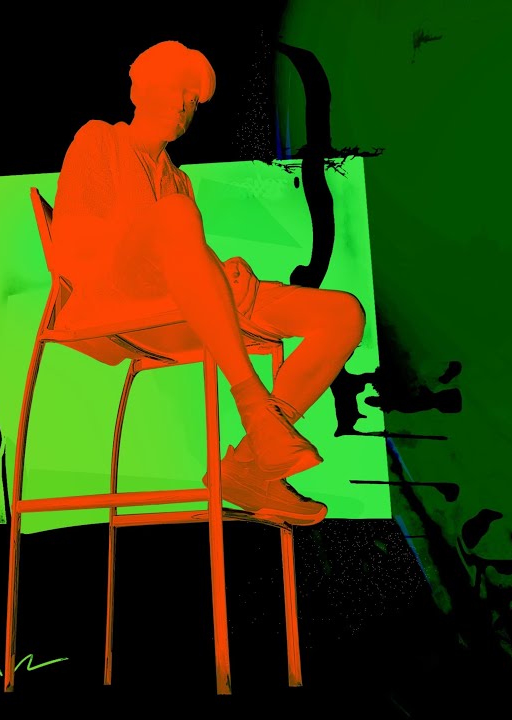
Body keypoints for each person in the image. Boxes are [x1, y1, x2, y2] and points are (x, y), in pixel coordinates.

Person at [49, 41, 365, 526]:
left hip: (181, 310)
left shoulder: (179, 181)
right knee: (175, 214)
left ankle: (248, 468)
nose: (182, 105)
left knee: (341, 313)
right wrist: (177, 247)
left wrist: (222, 272)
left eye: (192, 99)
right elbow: (77, 250)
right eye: (174, 89)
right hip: (112, 304)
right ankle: (255, 408)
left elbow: (184, 259)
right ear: (140, 90)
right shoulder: (99, 140)